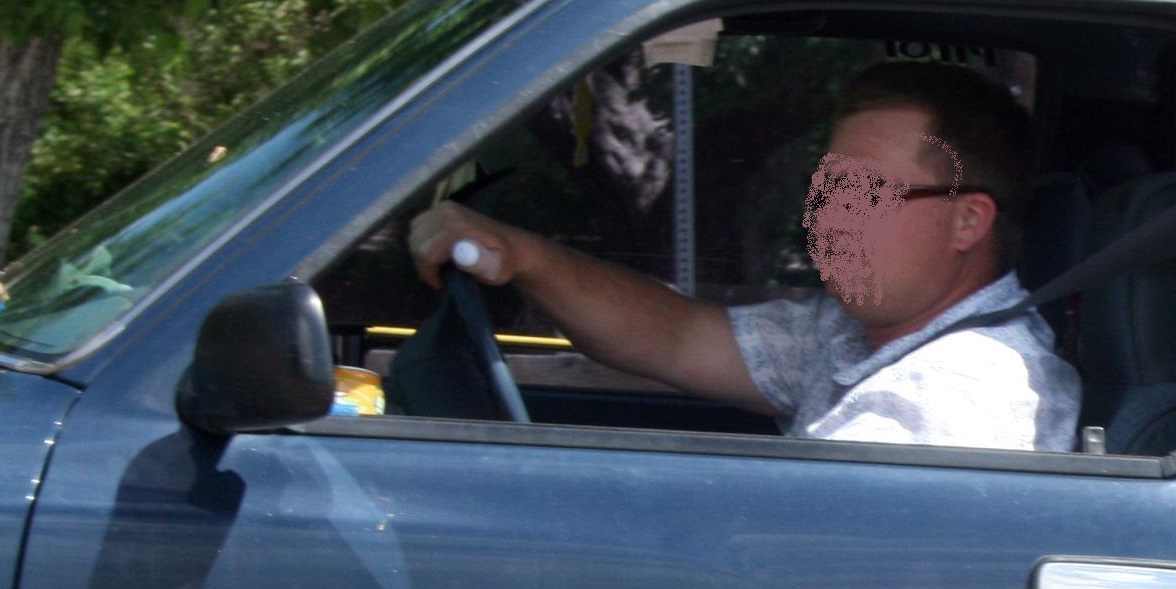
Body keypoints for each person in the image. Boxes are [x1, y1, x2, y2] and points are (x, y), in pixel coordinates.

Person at [407, 59, 1082, 450]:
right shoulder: (857, 336)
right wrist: (522, 255)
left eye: (861, 191)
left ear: (967, 220)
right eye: (825, 186)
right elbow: (676, 337)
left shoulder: (951, 398)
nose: (823, 213)